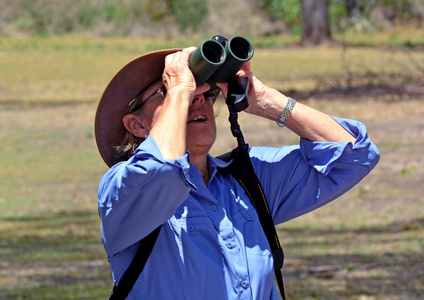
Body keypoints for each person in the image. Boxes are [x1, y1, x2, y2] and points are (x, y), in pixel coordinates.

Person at [95, 46, 379, 299]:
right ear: (137, 126)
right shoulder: (121, 191)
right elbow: (163, 171)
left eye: (207, 93)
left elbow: (354, 156)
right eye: (166, 94)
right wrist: (180, 89)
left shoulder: (246, 179)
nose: (199, 99)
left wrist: (269, 102)